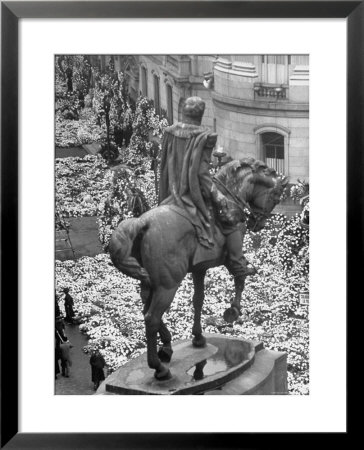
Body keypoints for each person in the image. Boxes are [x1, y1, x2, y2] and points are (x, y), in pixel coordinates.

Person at [158, 96, 256, 307]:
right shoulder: (204, 136)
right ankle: (238, 263)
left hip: (172, 190)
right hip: (191, 193)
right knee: (231, 219)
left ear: (183, 111)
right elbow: (202, 175)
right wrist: (219, 196)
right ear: (201, 114)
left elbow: (164, 163)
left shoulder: (170, 131)